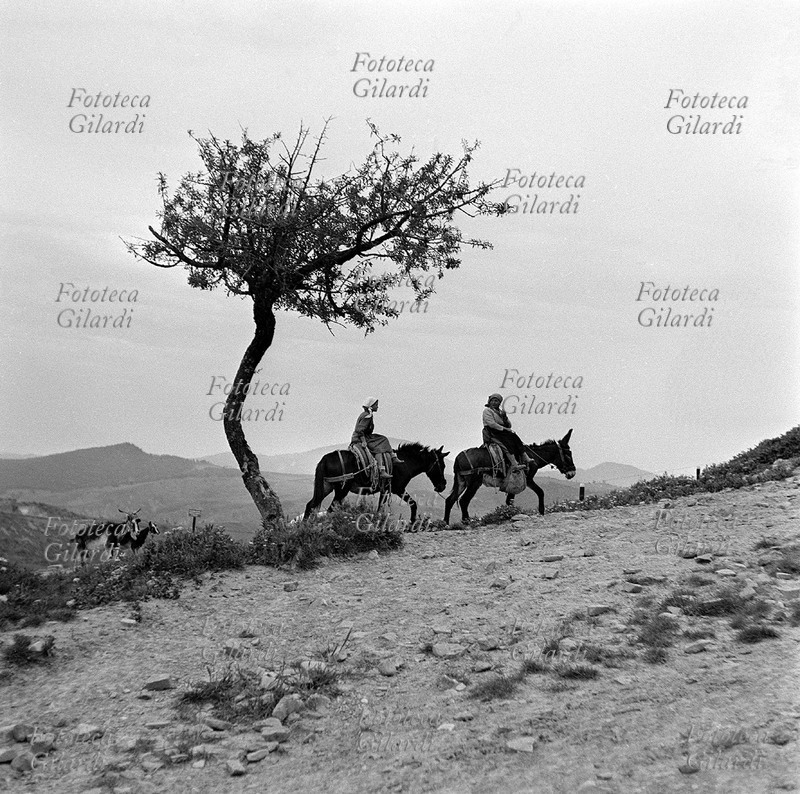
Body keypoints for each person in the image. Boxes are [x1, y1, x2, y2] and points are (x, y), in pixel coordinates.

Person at [350, 398, 401, 480]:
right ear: (371, 406)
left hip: (364, 436)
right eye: (376, 405)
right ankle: (382, 469)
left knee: (383, 438)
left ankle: (393, 457)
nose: (378, 407)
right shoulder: (367, 416)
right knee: (378, 446)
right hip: (360, 437)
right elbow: (359, 430)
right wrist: (363, 441)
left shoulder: (366, 414)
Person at [482, 393, 531, 468]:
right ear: (489, 402)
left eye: (496, 401)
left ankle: (524, 456)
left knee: (515, 437)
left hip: (501, 432)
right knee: (505, 444)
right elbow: (491, 424)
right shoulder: (487, 411)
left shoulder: (500, 412)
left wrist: (505, 417)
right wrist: (505, 429)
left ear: (499, 403)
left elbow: (509, 425)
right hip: (492, 432)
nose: (494, 403)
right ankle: (514, 464)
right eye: (492, 401)